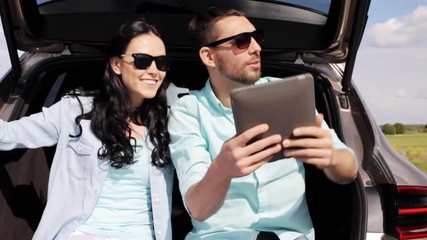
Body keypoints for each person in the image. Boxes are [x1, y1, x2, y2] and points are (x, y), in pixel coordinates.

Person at [168, 6, 358, 240]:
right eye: (242, 41)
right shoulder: (187, 112)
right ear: (209, 56)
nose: (257, 48)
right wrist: (222, 169)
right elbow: (197, 208)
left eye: (257, 38)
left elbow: (349, 168)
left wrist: (330, 156)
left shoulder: (289, 93)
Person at [0, 18, 181, 240]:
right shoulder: (75, 110)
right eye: (142, 61)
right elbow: (7, 135)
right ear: (116, 64)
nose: (154, 71)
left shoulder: (171, 121)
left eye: (162, 63)